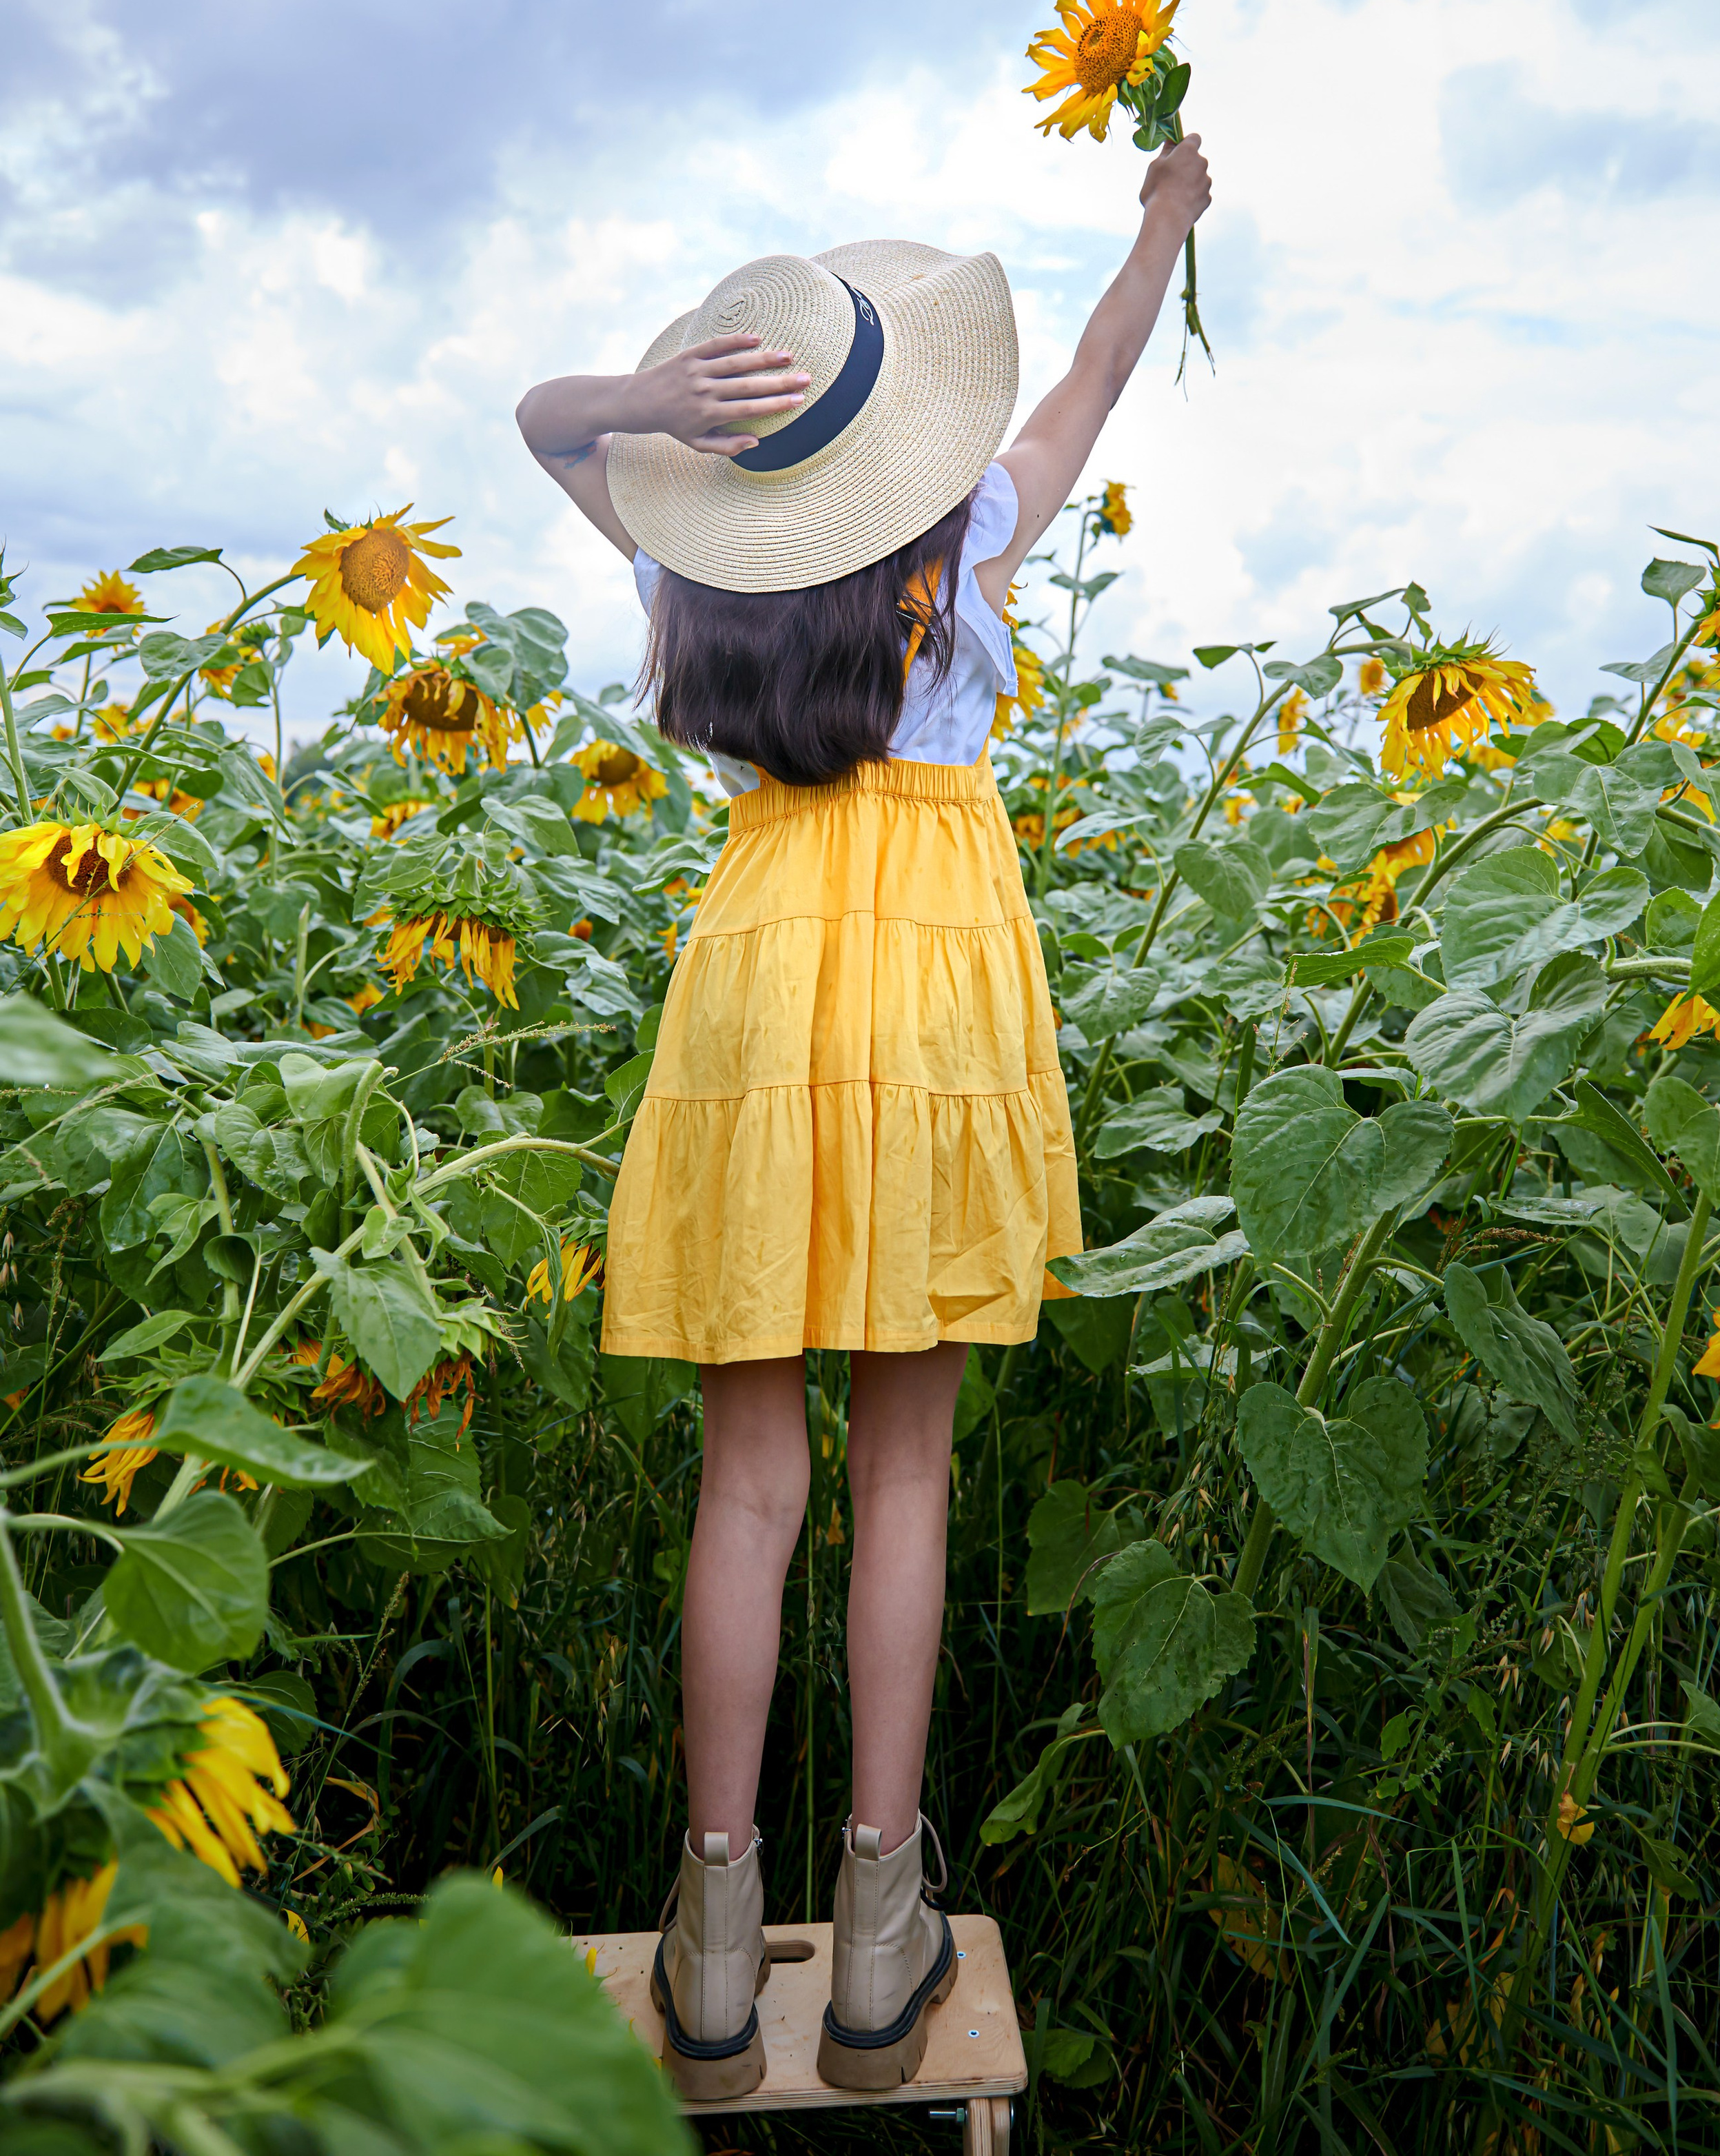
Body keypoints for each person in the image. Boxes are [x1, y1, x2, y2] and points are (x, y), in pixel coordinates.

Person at [515, 132, 1211, 2099]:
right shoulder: (969, 529)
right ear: (896, 436)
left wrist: (650, 404)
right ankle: (882, 1930)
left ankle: (718, 1938)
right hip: (928, 973)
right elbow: (1088, 376)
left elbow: (541, 421)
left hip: (754, 968)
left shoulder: (695, 570)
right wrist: (1161, 224)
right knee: (903, 1469)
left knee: (751, 1482)